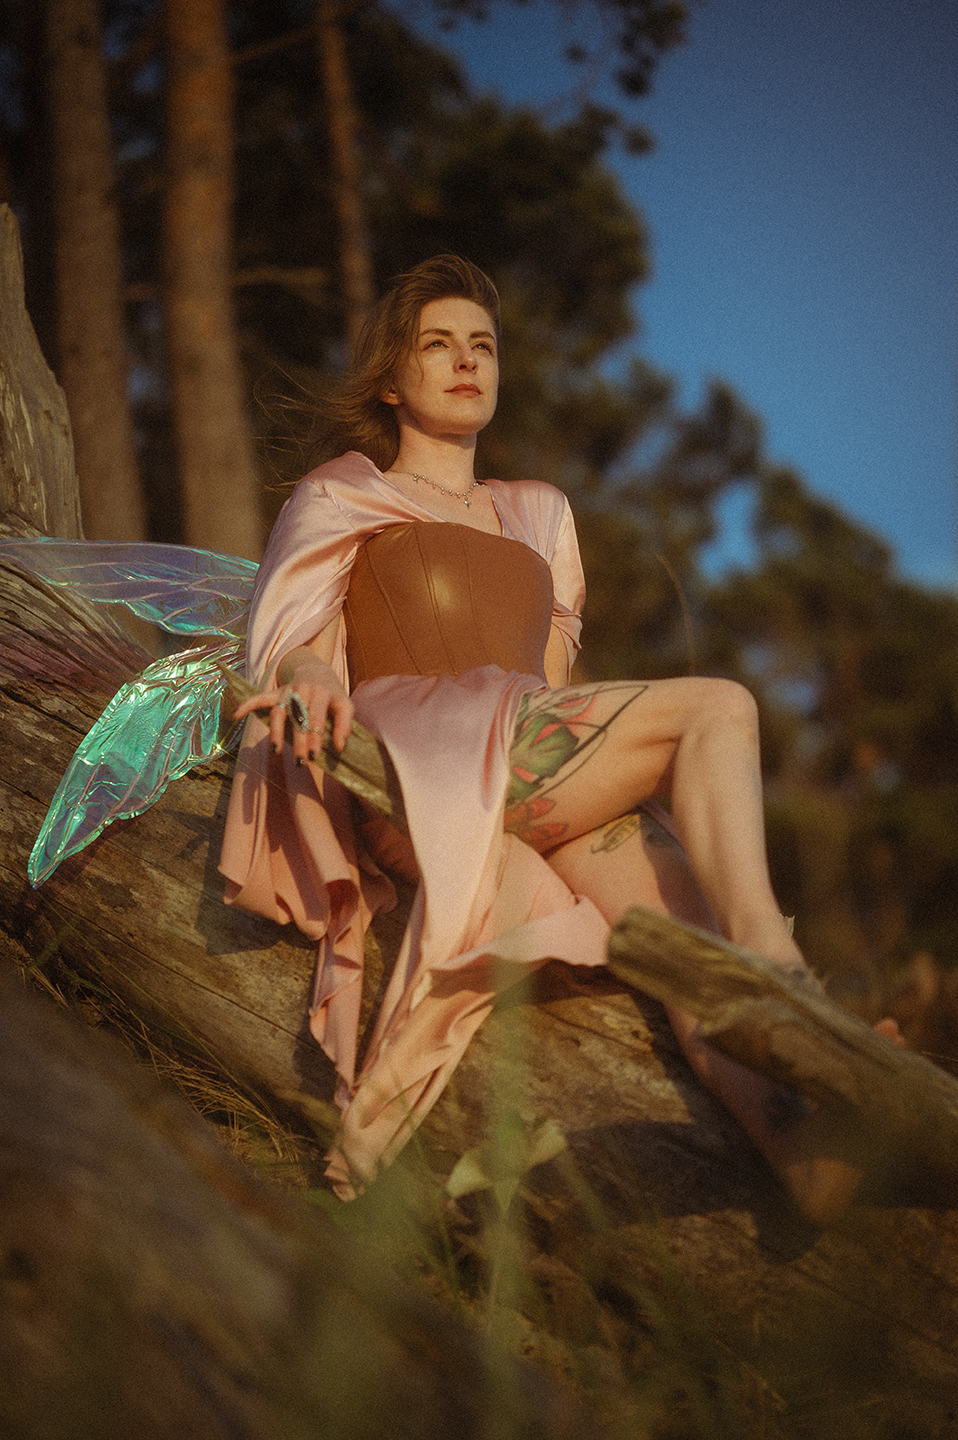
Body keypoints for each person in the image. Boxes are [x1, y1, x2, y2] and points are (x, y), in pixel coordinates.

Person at [221, 254, 896, 1221]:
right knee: (720, 708)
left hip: (528, 756)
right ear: (391, 380)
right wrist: (315, 679)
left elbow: (552, 686)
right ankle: (788, 982)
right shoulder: (342, 493)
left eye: (483, 346)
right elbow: (286, 635)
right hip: (419, 757)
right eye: (438, 345)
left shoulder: (541, 512)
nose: (467, 362)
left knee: (682, 927)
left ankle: (811, 1151)